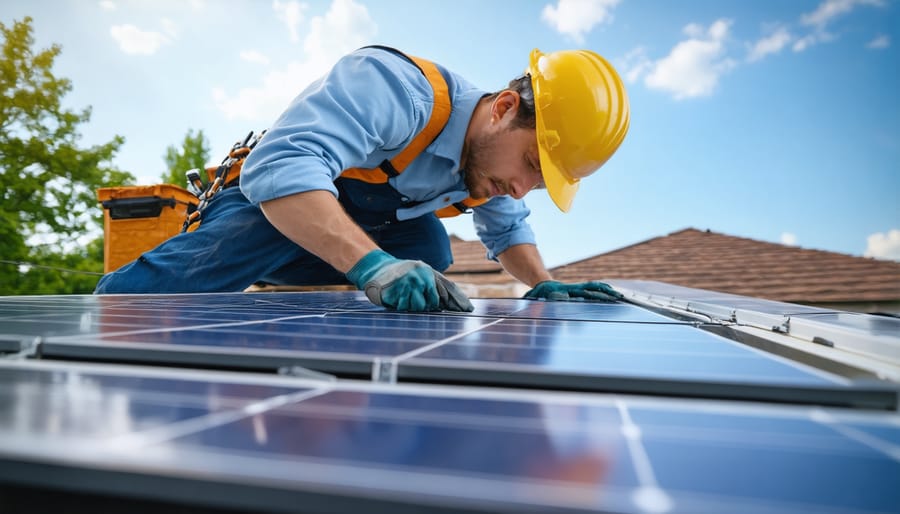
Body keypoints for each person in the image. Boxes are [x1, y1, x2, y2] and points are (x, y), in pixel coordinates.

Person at [94, 46, 630, 312]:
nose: (520, 187)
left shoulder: (488, 165)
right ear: (505, 108)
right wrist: (372, 264)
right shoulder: (399, 90)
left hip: (330, 237)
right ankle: (114, 303)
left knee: (428, 246)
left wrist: (541, 283)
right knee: (159, 294)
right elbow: (282, 166)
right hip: (265, 206)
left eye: (539, 183)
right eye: (532, 165)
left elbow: (508, 228)